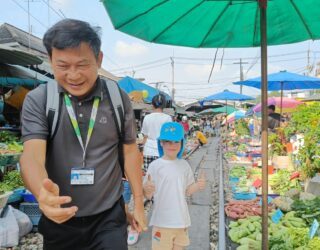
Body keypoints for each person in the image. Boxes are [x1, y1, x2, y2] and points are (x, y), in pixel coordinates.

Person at [19, 19, 146, 250]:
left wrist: (138, 202)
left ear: (99, 59)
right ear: (50, 60)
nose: (74, 75)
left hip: (109, 217)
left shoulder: (118, 98)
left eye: (82, 64)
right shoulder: (39, 100)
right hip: (61, 219)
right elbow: (31, 156)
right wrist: (41, 193)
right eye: (63, 66)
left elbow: (130, 152)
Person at [143, 122, 206, 250]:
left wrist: (198, 185)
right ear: (161, 142)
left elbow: (187, 191)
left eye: (176, 141)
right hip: (161, 222)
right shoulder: (155, 166)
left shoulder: (184, 165)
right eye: (168, 141)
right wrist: (147, 189)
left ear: (181, 143)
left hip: (181, 221)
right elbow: (148, 195)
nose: (172, 145)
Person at [141, 93, 171, 173]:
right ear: (164, 105)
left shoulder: (147, 118)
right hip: (162, 151)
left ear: (152, 104)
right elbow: (168, 138)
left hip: (148, 151)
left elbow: (145, 136)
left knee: (149, 177)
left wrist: (141, 149)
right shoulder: (168, 118)